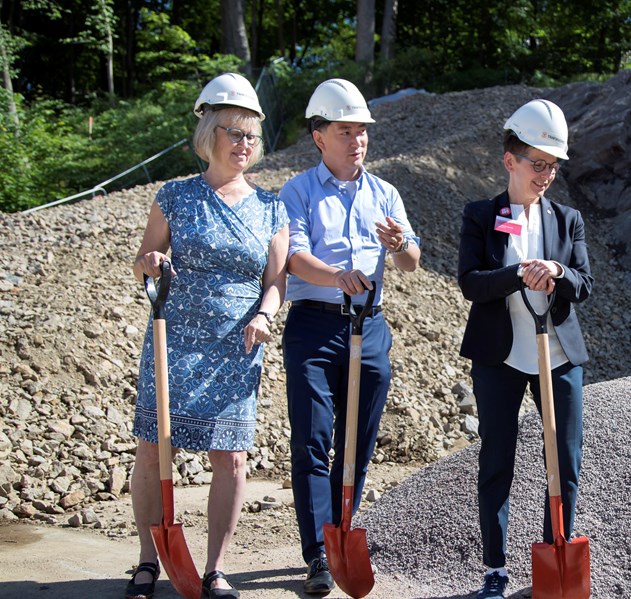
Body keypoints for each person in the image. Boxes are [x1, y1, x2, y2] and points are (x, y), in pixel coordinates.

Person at [128, 72, 288, 599]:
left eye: (250, 136)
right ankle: (149, 562)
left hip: (236, 345)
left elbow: (275, 283)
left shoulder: (272, 208)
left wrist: (265, 315)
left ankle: (215, 568)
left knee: (233, 457)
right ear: (209, 136)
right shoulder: (173, 196)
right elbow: (144, 262)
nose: (243, 145)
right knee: (153, 451)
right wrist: (151, 263)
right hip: (172, 339)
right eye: (233, 133)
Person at [281, 78, 421, 596]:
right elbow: (294, 256)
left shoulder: (385, 193)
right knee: (314, 440)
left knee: (358, 442)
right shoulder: (297, 190)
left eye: (362, 131)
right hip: (314, 326)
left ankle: (341, 531)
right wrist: (335, 276)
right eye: (346, 131)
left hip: (372, 325)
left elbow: (410, 263)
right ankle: (317, 552)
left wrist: (401, 242)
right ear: (320, 136)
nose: (357, 140)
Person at [457, 99, 593, 599]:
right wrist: (516, 274)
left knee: (565, 458)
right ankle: (495, 568)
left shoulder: (567, 219)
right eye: (538, 163)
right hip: (500, 356)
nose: (547, 175)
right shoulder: (480, 215)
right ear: (509, 160)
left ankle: (556, 552)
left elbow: (584, 282)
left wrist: (556, 273)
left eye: (553, 165)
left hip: (558, 354)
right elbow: (470, 283)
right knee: (497, 458)